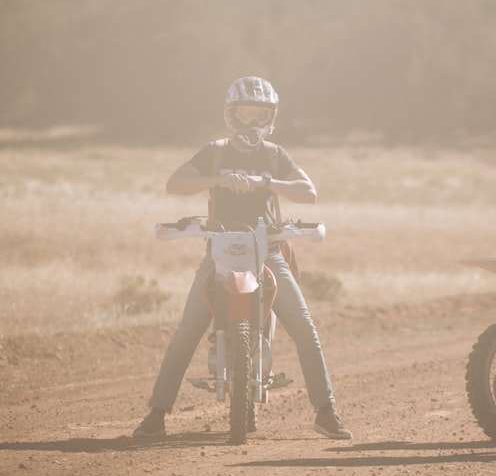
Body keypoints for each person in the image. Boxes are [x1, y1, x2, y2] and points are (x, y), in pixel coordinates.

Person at [133, 76, 352, 440]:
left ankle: (326, 411)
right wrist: (219, 178)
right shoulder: (215, 151)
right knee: (188, 328)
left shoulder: (275, 154)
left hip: (266, 250)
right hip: (220, 250)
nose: (252, 123)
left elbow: (308, 193)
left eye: (260, 114)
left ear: (271, 117)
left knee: (303, 327)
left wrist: (265, 182)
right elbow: (175, 183)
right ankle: (157, 414)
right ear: (231, 115)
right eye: (246, 114)